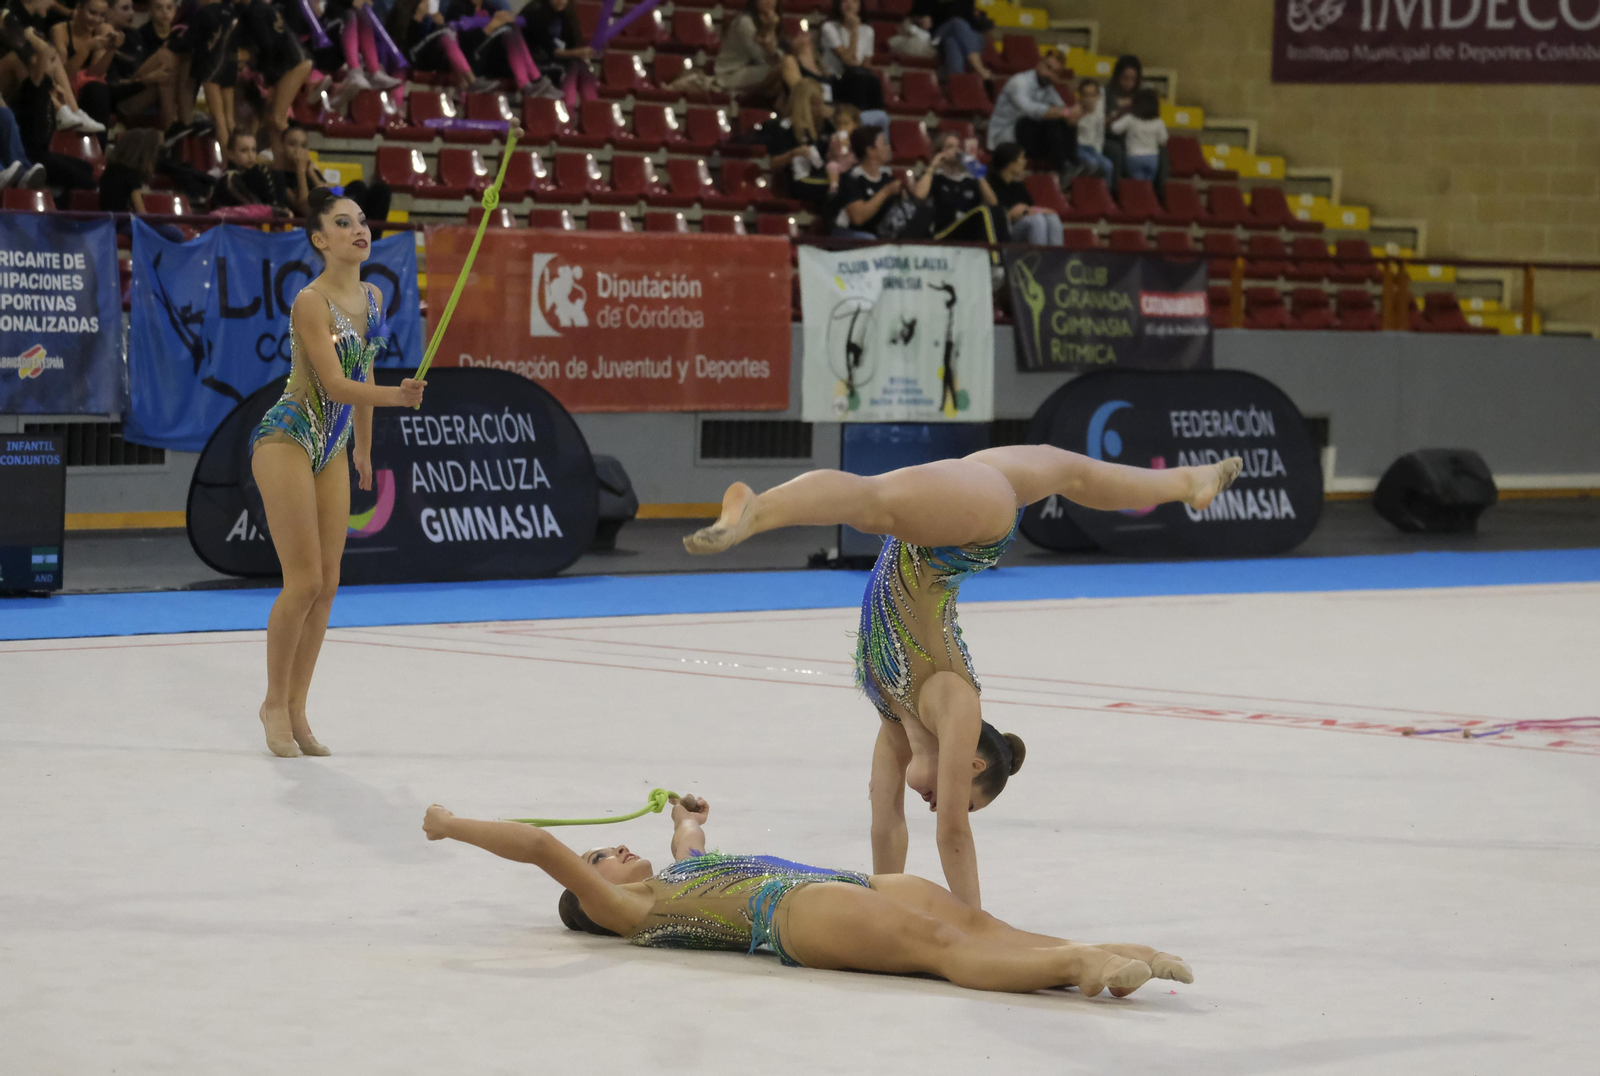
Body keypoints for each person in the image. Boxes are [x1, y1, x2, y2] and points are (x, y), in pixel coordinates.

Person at [680, 447, 1242, 907]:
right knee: (874, 504)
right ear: (972, 765)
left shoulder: (896, 714)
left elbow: (886, 823)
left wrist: (884, 907)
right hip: (968, 530)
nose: (943, 802)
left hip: (959, 505)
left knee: (1072, 474)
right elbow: (951, 833)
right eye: (969, 798)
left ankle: (1189, 482)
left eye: (963, 804)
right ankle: (759, 511)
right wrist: (975, 927)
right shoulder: (953, 702)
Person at [421, 795, 1196, 998]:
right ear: (593, 896)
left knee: (979, 922)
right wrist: (452, 826)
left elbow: (688, 836)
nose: (612, 852)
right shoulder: (629, 912)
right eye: (601, 859)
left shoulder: (680, 872)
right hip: (795, 914)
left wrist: (684, 814)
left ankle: (1113, 953)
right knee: (943, 950)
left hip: (848, 882)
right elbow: (542, 846)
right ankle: (1078, 968)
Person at [250, 189, 425, 758]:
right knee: (302, 581)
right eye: (343, 223)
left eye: (362, 221)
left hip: (333, 445)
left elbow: (364, 368)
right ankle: (273, 703)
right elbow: (334, 384)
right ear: (320, 240)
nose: (359, 229)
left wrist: (364, 448)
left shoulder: (373, 297)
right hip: (288, 436)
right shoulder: (311, 302)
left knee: (327, 585)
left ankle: (298, 707)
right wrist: (399, 397)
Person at [0, 0, 104, 133]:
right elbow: (32, 58)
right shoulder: (7, 16)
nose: (54, 3)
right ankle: (58, 107)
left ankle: (74, 111)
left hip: (20, 81)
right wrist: (52, 87)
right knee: (19, 59)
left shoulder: (34, 20)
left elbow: (48, 57)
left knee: (49, 59)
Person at [986, 47, 1077, 177]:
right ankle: (1062, 167)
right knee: (1050, 120)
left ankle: (1071, 163)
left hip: (1025, 136)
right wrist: (1067, 112)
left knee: (1066, 122)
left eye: (1054, 72)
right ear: (1039, 63)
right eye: (1048, 67)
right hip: (1005, 136)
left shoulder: (1047, 87)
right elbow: (1031, 110)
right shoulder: (1019, 82)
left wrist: (1070, 114)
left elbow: (1063, 109)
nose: (1049, 74)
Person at [275, 121, 391, 222]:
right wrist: (300, 171)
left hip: (332, 216)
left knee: (376, 189)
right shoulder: (279, 177)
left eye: (303, 145)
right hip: (313, 226)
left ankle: (371, 236)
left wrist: (311, 173)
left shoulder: (310, 170)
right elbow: (304, 208)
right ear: (281, 146)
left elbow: (328, 197)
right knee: (357, 189)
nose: (299, 150)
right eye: (292, 144)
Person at [831, 124, 928, 240]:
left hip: (881, 236)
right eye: (884, 143)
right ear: (870, 151)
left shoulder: (887, 178)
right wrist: (886, 192)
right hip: (850, 237)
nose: (888, 147)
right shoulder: (851, 179)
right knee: (869, 239)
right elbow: (858, 218)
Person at [443, 0, 547, 98]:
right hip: (471, 57)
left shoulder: (491, 7)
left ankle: (530, 81)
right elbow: (465, 44)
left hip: (491, 58)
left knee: (511, 29)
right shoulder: (458, 8)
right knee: (508, 30)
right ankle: (530, 81)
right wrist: (491, 26)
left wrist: (504, 20)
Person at [923, 129, 1002, 242]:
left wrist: (977, 172)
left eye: (958, 146)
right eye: (950, 147)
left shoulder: (970, 179)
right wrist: (932, 167)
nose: (956, 150)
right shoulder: (935, 178)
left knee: (989, 215)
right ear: (940, 152)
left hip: (970, 233)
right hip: (943, 232)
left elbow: (993, 203)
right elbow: (919, 196)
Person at [50, 0, 117, 133]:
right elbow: (63, 75)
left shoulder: (103, 30)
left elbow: (95, 73)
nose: (96, 19)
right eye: (92, 12)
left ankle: (98, 144)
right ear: (79, 8)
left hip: (89, 89)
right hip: (65, 89)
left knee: (98, 89)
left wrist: (112, 48)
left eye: (102, 15)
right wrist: (87, 48)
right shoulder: (60, 30)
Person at [388, 0, 481, 92]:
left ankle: (467, 86)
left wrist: (438, 22)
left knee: (448, 33)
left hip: (432, 55)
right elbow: (399, 40)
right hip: (411, 53)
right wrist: (417, 19)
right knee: (446, 33)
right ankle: (471, 80)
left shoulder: (445, 5)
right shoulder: (404, 4)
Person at [520, 0, 596, 107]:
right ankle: (578, 107)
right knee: (574, 66)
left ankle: (585, 108)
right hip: (535, 63)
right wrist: (577, 53)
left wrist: (579, 53)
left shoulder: (566, 14)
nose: (561, 1)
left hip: (557, 61)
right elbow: (551, 50)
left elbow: (572, 44)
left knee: (578, 66)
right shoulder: (536, 11)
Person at [988, 141, 1060, 245]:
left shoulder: (1017, 186)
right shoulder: (990, 184)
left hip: (1021, 224)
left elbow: (1030, 208)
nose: (1025, 162)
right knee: (1036, 220)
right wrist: (1011, 213)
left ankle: (1057, 255)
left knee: (1052, 219)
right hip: (1004, 230)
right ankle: (1038, 254)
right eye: (1022, 158)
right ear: (1010, 162)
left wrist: (1031, 210)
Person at [138, 0, 194, 129]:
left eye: (169, 8)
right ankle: (175, 125)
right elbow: (139, 72)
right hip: (146, 85)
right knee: (166, 63)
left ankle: (184, 123)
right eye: (158, 8)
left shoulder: (180, 34)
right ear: (150, 11)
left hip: (175, 86)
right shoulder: (142, 34)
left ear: (175, 11)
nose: (164, 12)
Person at [818, 0, 882, 112]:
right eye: (845, 1)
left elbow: (866, 65)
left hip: (858, 81)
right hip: (834, 79)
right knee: (856, 77)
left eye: (854, 1)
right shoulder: (829, 27)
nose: (849, 4)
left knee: (873, 81)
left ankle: (875, 115)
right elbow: (848, 61)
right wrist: (854, 32)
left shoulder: (868, 31)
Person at [713, 0, 781, 99]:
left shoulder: (774, 19)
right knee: (782, 70)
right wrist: (771, 28)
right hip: (731, 74)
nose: (768, 1)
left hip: (753, 69)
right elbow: (761, 58)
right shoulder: (745, 22)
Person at [778, 27, 832, 143]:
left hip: (825, 113)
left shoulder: (822, 67)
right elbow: (801, 92)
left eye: (804, 32)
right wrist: (821, 108)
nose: (801, 33)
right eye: (796, 35)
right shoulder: (790, 61)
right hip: (806, 112)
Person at [911, 0, 991, 78]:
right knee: (957, 23)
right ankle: (979, 68)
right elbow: (913, 16)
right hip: (938, 35)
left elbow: (970, 20)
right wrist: (921, 19)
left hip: (960, 37)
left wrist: (985, 25)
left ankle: (957, 81)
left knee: (951, 41)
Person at [213, 127, 289, 208]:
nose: (251, 155)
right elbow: (254, 207)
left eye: (253, 150)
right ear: (231, 154)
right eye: (244, 150)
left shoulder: (257, 173)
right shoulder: (229, 179)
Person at [1109, 86, 1165, 183]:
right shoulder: (1158, 122)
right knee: (1147, 186)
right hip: (1152, 158)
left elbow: (1114, 129)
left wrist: (1114, 115)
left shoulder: (1130, 118)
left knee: (1136, 186)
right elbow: (1163, 141)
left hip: (1134, 157)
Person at [1073, 77, 1112, 182]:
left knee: (1108, 166)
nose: (1089, 99)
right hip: (1078, 147)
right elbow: (1066, 114)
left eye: (1092, 95)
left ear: (1097, 96)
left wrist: (1098, 152)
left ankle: (1104, 191)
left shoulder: (1099, 111)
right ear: (1080, 95)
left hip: (1093, 149)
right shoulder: (1075, 109)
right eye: (1085, 95)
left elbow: (1100, 135)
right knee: (1092, 164)